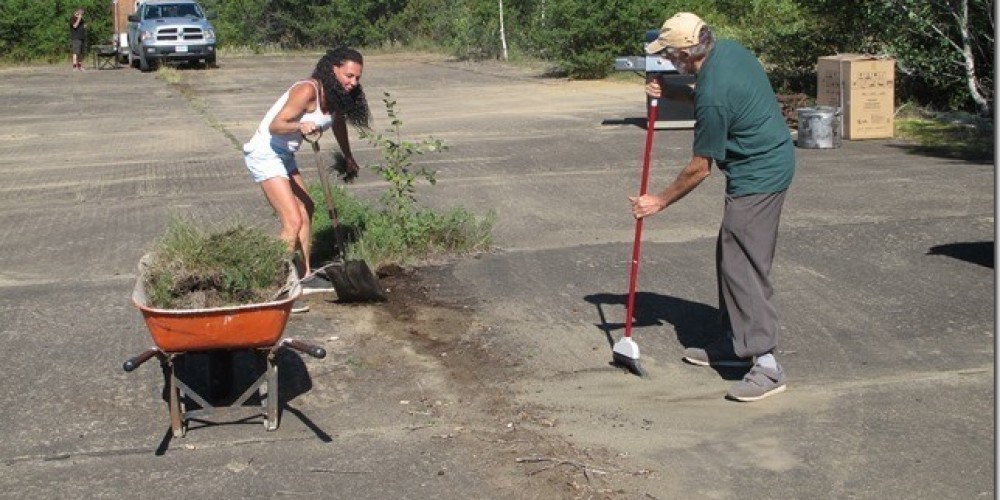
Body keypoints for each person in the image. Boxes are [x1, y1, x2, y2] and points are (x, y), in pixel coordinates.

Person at [630, 13, 795, 402]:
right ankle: (736, 346)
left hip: (760, 175)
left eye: (670, 55)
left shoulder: (714, 93)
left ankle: (767, 365)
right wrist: (671, 92)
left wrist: (660, 200)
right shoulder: (729, 52)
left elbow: (700, 167)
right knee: (730, 255)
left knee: (744, 267)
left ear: (688, 51)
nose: (668, 61)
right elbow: (706, 92)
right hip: (762, 162)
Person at [242, 47, 371, 311]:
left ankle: (304, 273)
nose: (353, 82)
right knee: (293, 220)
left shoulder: (334, 96)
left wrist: (348, 156)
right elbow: (275, 126)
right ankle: (273, 288)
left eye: (357, 78)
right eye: (349, 76)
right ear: (333, 69)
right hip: (264, 153)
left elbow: (337, 124)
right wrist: (299, 126)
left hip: (284, 155)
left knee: (307, 207)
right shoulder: (307, 90)